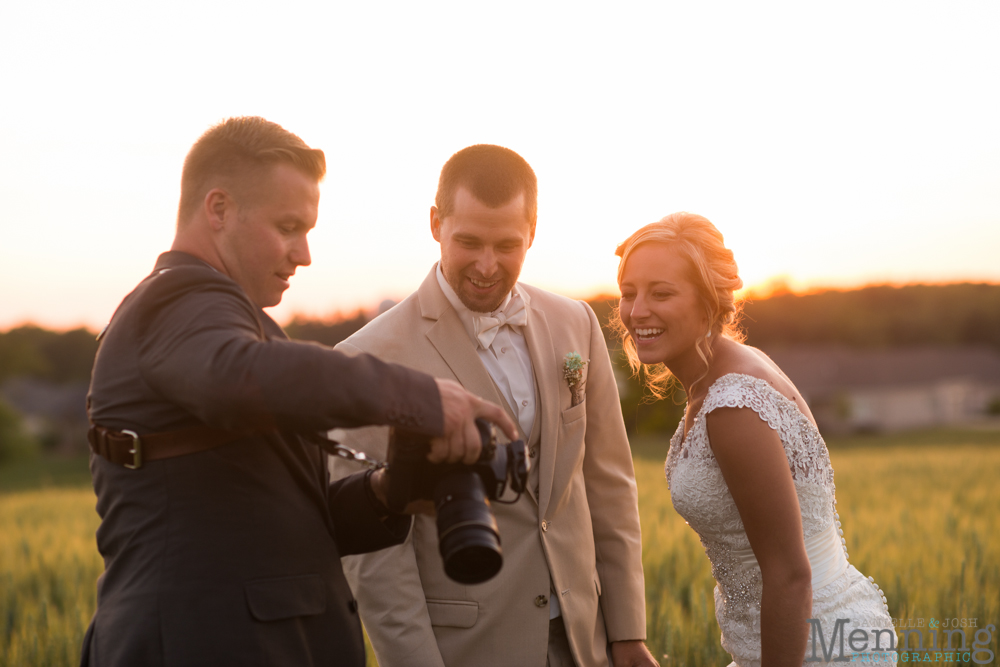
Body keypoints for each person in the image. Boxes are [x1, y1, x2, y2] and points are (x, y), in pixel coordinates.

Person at [81, 117, 516, 667]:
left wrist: (387, 493)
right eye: (288, 227)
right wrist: (427, 398)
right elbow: (236, 377)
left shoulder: (234, 325)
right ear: (218, 209)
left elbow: (282, 519)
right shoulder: (177, 303)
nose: (304, 253)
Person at [330, 145, 658, 667]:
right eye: (468, 242)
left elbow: (607, 482)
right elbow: (376, 559)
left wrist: (627, 631)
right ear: (436, 223)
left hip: (585, 640)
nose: (486, 266)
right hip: (468, 648)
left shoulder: (576, 323)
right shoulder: (366, 361)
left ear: (532, 231)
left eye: (507, 244)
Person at [613, 212, 895, 666]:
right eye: (629, 293)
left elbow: (789, 575)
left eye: (661, 293)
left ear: (708, 301)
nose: (637, 311)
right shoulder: (732, 369)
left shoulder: (732, 407)